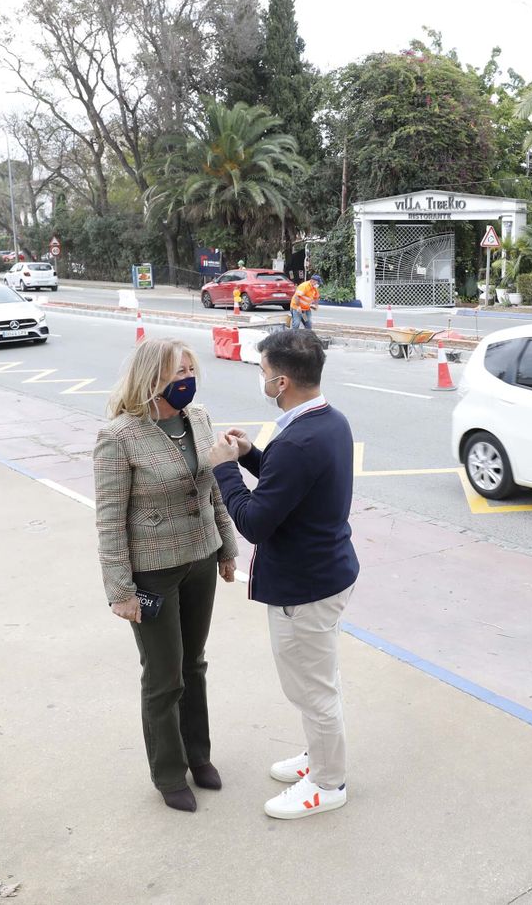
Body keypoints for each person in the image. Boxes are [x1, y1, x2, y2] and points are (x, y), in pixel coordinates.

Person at [209, 329, 359, 820]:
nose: (261, 379)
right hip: (326, 571)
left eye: (262, 372)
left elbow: (255, 522)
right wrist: (251, 455)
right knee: (317, 681)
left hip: (305, 585)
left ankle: (328, 784)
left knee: (312, 689)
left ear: (281, 382)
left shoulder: (298, 440)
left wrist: (225, 469)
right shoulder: (327, 421)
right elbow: (290, 483)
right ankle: (320, 757)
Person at [93, 338, 239, 813]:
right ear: (151, 378)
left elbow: (212, 488)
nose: (188, 381)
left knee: (194, 665)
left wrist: (226, 547)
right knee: (164, 676)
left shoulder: (198, 418)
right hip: (152, 572)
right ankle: (169, 773)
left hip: (201, 558)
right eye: (179, 373)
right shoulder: (119, 436)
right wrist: (120, 589)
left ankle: (199, 757)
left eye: (191, 371)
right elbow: (110, 519)